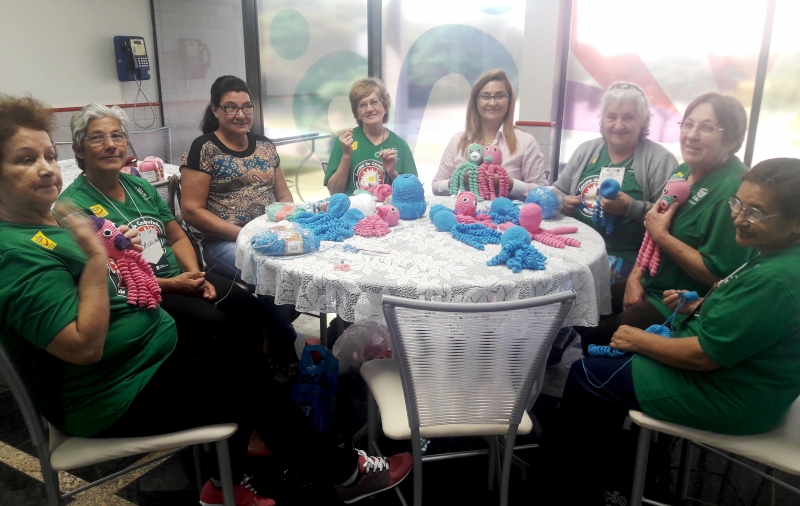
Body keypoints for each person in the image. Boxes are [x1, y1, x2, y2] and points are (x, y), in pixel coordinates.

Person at [0, 94, 411, 506]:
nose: (46, 168)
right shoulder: (14, 254)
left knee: (248, 357)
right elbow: (84, 347)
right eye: (25, 159)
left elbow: (139, 263)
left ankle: (227, 481)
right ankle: (346, 473)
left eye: (48, 156)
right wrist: (96, 260)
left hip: (146, 349)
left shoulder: (53, 222)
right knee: (250, 385)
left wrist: (125, 262)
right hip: (114, 392)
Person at [542, 157, 800, 503]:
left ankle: (579, 484)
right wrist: (702, 305)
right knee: (602, 354)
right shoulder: (777, 255)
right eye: (737, 204)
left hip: (731, 394)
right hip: (746, 379)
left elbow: (704, 356)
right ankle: (614, 461)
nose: (739, 218)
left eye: (756, 212)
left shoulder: (777, 279)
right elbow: (750, 319)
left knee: (586, 374)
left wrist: (639, 340)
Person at [59, 103, 269, 361]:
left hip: (181, 275)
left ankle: (259, 371)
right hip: (145, 293)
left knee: (251, 309)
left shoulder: (139, 187)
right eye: (97, 138)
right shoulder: (73, 207)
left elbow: (176, 236)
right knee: (219, 325)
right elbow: (104, 280)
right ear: (79, 149)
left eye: (117, 135)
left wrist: (194, 275)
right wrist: (174, 285)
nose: (111, 145)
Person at [576, 93, 757, 355]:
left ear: (733, 141)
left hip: (681, 301)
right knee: (582, 307)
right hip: (652, 280)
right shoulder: (684, 170)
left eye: (707, 127)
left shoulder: (732, 191)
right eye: (688, 124)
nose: (692, 135)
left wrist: (662, 236)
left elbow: (720, 276)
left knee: (597, 337)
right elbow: (653, 226)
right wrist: (635, 278)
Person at [547, 82, 677, 366]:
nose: (618, 125)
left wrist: (630, 207)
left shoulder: (659, 160)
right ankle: (562, 330)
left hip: (629, 255)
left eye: (628, 117)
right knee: (547, 277)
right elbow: (556, 190)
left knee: (585, 286)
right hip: (576, 245)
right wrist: (562, 201)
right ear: (602, 120)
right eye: (611, 116)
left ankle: (579, 337)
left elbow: (669, 218)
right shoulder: (587, 151)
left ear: (643, 122)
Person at [180, 75, 298, 352]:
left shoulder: (265, 146)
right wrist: (244, 234)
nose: (241, 114)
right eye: (231, 107)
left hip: (269, 233)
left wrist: (283, 226)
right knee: (275, 274)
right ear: (215, 110)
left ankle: (271, 329)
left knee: (303, 267)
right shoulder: (204, 149)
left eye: (246, 107)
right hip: (224, 242)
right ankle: (281, 342)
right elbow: (191, 211)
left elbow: (284, 197)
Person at [432, 69, 546, 200]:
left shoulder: (526, 142)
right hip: (463, 212)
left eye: (499, 96)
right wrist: (457, 180)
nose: (492, 103)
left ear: (509, 100)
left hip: (508, 213)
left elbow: (542, 192)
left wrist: (510, 184)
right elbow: (436, 187)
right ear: (475, 101)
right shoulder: (457, 141)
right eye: (485, 96)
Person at [324, 77, 418, 196]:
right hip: (353, 207)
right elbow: (334, 192)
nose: (369, 109)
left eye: (374, 102)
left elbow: (413, 194)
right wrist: (346, 155)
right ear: (357, 113)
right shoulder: (345, 142)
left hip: (389, 207)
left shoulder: (400, 145)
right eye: (362, 105)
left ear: (385, 107)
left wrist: (392, 173)